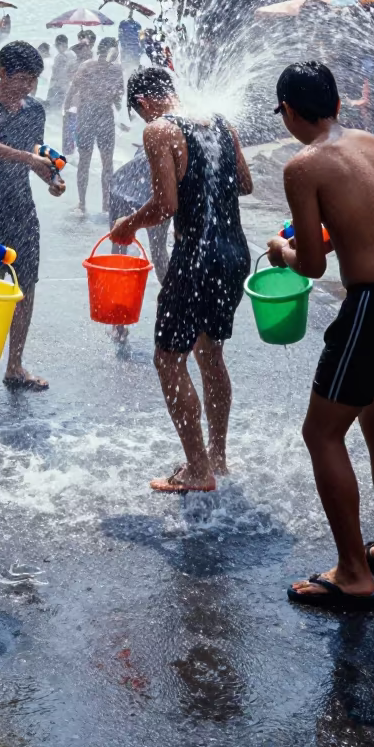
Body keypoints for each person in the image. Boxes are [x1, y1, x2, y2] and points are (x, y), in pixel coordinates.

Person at [265, 62, 374, 611]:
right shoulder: (373, 143)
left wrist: (282, 253)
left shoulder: (304, 166)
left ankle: (353, 572)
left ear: (290, 112)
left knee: (321, 433)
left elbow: (312, 266)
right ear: (338, 104)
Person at [110, 66, 253, 492]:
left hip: (196, 259)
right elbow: (244, 183)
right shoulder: (221, 122)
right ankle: (218, 458)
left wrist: (128, 225)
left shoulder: (159, 130)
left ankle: (197, 469)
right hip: (233, 254)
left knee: (168, 358)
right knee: (211, 355)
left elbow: (165, 204)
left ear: (142, 104)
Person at [0, 41, 65, 390]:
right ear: (3, 72)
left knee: (25, 285)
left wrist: (51, 177)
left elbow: (35, 151)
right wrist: (29, 159)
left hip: (20, 207)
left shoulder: (35, 110)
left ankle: (15, 365)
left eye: (34, 79)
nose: (29, 87)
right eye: (22, 78)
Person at [108, 144, 171, 347]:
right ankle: (175, 311)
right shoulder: (173, 142)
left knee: (120, 253)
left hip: (128, 187)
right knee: (157, 251)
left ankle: (118, 325)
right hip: (135, 190)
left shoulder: (158, 136)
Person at [64, 37, 124, 213]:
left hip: (87, 114)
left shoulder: (87, 66)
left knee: (84, 161)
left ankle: (82, 203)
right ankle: (106, 203)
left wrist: (67, 108)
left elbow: (73, 89)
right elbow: (117, 97)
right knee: (107, 162)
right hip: (104, 115)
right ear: (113, 51)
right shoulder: (116, 70)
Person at [46, 35, 77, 127]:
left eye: (56, 45)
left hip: (57, 87)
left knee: (51, 111)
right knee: (61, 110)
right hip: (66, 87)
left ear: (60, 45)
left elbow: (56, 74)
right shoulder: (72, 55)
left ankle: (52, 129)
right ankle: (61, 127)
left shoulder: (60, 57)